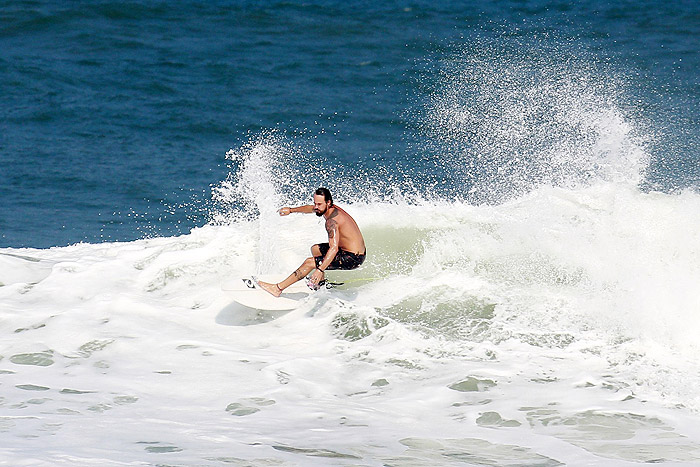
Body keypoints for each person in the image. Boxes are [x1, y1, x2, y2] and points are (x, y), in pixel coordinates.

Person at [256, 187, 366, 297]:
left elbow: (334, 248)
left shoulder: (332, 221)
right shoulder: (328, 208)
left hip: (353, 258)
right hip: (350, 251)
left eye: (319, 204)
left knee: (309, 263)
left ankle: (277, 288)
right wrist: (291, 210)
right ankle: (320, 284)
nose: (316, 207)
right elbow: (310, 209)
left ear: (328, 202)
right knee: (315, 249)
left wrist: (320, 269)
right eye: (315, 203)